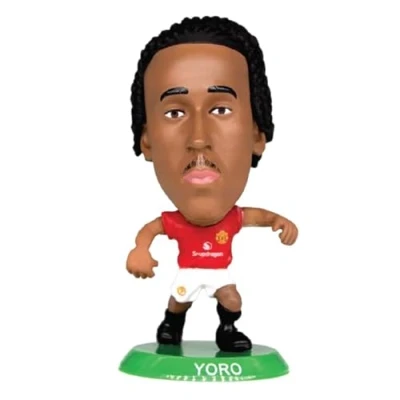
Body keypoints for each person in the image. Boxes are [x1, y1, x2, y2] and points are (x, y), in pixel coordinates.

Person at [126, 16, 298, 353]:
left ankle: (227, 329)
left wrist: (278, 221)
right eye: (175, 113)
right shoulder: (175, 222)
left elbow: (257, 217)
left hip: (218, 271)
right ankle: (171, 325)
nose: (198, 139)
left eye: (220, 109)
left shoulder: (232, 219)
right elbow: (152, 231)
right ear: (147, 141)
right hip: (189, 272)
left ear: (257, 135)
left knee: (231, 299)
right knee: (179, 301)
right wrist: (140, 249)